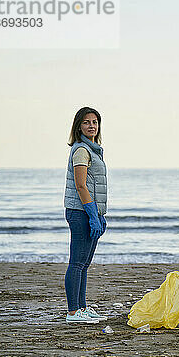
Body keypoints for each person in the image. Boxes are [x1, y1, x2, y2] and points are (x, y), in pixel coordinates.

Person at [63, 107, 108, 324]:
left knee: (84, 264)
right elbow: (81, 185)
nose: (92, 126)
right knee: (77, 263)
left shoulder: (94, 150)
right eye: (86, 122)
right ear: (78, 126)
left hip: (91, 211)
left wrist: (100, 214)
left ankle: (82, 307)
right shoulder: (81, 150)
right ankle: (73, 312)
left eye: (95, 122)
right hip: (80, 211)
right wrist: (92, 214)